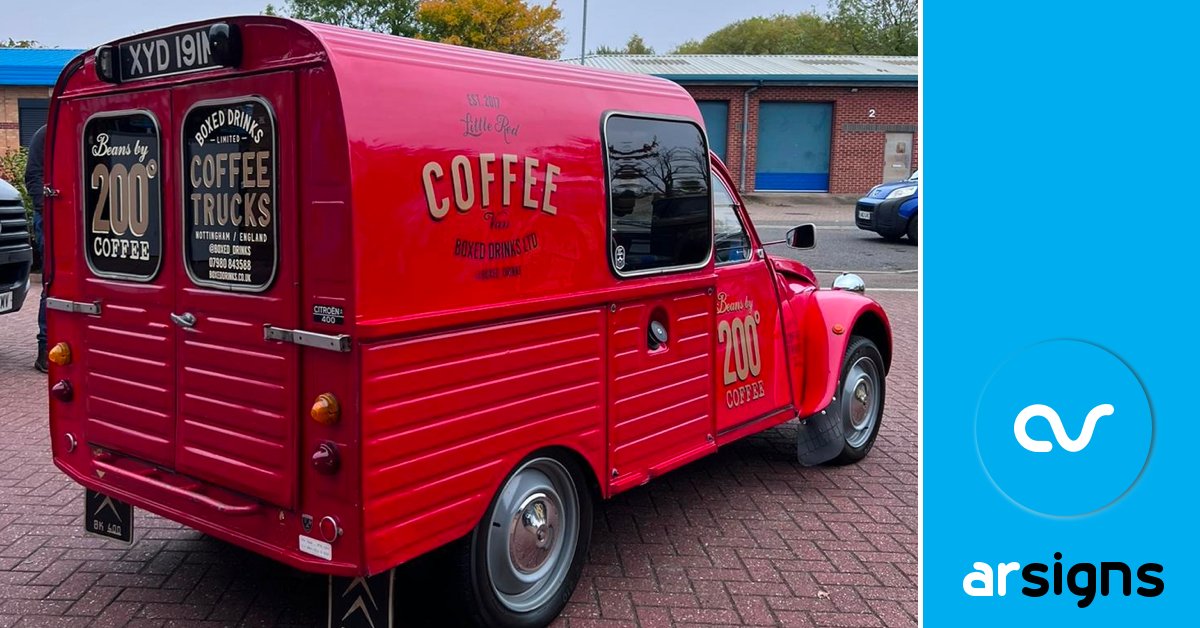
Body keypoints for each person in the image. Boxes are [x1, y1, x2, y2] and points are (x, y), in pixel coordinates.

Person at [24, 125, 47, 373]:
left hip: (86, 222)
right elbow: (33, 177)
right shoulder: (45, 134)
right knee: (53, 282)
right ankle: (45, 349)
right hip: (51, 220)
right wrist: (51, 211)